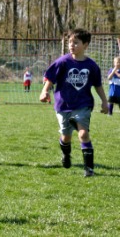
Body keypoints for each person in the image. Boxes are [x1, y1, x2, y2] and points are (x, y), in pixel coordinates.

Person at [40, 28, 108, 177]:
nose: (72, 45)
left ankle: (89, 169)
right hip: (63, 105)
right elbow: (50, 77)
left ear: (86, 45)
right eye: (70, 42)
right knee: (66, 137)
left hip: (83, 105)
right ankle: (66, 155)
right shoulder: (62, 62)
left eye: (75, 42)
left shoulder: (91, 66)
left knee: (83, 134)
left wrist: (104, 101)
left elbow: (97, 85)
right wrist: (44, 91)